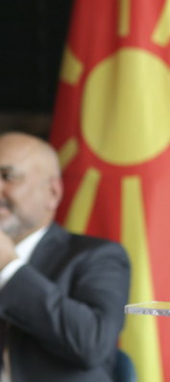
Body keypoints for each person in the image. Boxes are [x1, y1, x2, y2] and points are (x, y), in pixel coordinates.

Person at [0, 132, 130, 381]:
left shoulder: (98, 256)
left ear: (53, 192)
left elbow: (92, 344)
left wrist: (8, 268)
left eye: (8, 177)